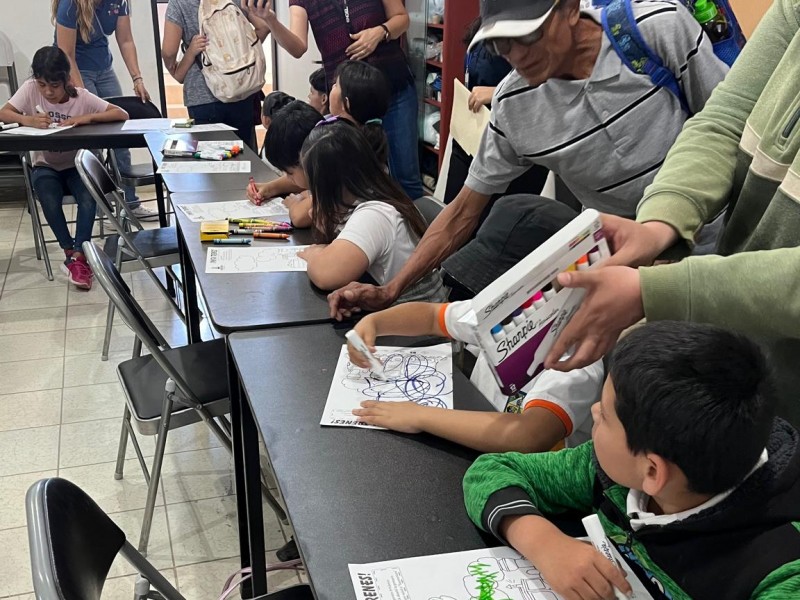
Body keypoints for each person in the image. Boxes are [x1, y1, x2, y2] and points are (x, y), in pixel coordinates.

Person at [327, 0, 728, 319]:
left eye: (528, 34)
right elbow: (463, 212)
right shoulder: (515, 104)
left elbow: (730, 130)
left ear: (570, 9)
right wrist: (392, 288)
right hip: (628, 263)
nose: (516, 55)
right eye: (501, 43)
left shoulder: (655, 29)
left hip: (726, 241)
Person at [542, 0, 800, 425]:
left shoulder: (659, 25)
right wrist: (660, 222)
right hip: (741, 368)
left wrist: (660, 291)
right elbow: (723, 119)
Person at [464, 321, 800, 600]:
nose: (594, 412)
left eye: (605, 416)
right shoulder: (612, 471)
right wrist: (544, 543)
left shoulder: (778, 571)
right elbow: (491, 471)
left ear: (652, 471)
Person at [346, 195, 603, 452]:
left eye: (507, 291)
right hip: (474, 443)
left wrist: (419, 416)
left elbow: (530, 435)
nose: (494, 299)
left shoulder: (578, 356)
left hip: (521, 479)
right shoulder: (502, 312)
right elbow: (431, 316)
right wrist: (374, 323)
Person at [260, 0, 425, 200]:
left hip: (394, 89)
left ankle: (414, 228)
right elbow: (298, 47)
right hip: (347, 104)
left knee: (406, 178)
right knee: (347, 178)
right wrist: (271, 20)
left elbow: (402, 19)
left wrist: (380, 31)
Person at [0, 46, 128, 290]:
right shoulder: (29, 90)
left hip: (75, 165)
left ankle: (80, 255)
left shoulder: (81, 97)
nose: (47, 92)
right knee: (48, 197)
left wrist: (86, 118)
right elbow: (4, 112)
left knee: (89, 198)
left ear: (66, 80)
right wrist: (28, 120)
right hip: (45, 165)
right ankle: (70, 252)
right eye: (42, 85)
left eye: (54, 86)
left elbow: (121, 113)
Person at [296, 119, 446, 303]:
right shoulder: (372, 191)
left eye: (314, 186)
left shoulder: (374, 215)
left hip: (416, 325)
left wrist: (314, 255)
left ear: (331, 186)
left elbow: (327, 275)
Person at [249, 62, 393, 225]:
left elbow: (300, 217)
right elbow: (305, 175)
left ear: (346, 103)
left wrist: (295, 203)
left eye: (336, 85)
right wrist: (270, 188)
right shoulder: (348, 131)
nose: (330, 87)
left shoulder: (340, 147)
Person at [52, 0, 157, 221]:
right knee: (94, 141)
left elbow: (126, 40)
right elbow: (66, 53)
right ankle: (105, 210)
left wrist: (137, 78)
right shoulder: (70, 5)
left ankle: (130, 204)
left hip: (103, 68)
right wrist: (82, 94)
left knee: (121, 133)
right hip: (76, 69)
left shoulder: (119, 2)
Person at [161, 0, 270, 151]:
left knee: (211, 163)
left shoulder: (179, 3)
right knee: (245, 161)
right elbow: (263, 27)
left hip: (202, 98)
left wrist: (184, 61)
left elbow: (168, 52)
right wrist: (241, 53)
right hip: (241, 89)